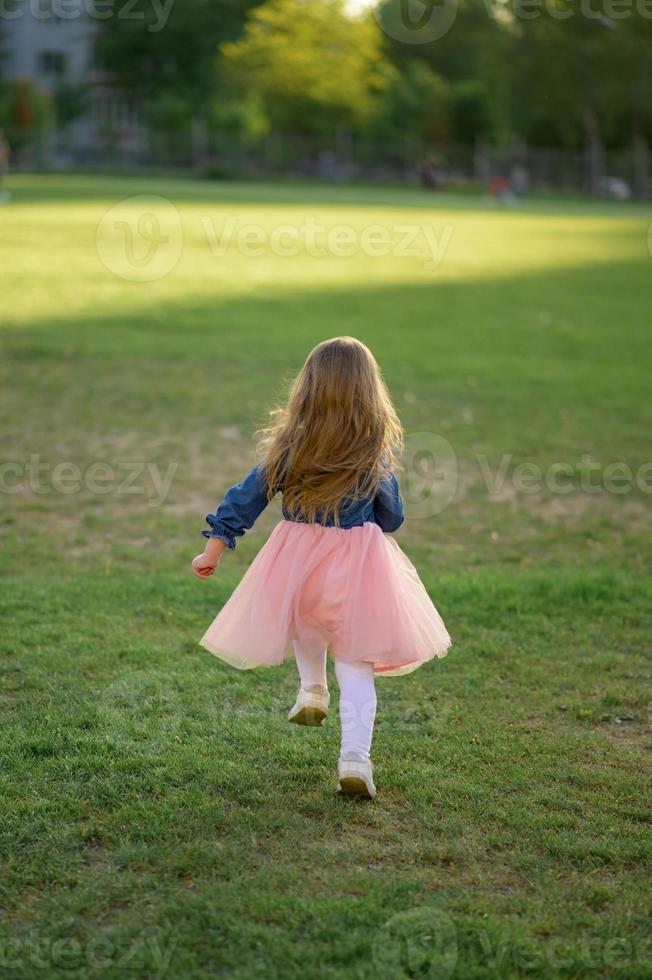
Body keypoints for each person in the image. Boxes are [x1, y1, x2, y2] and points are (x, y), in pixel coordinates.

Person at [191, 337, 451, 798]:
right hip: (358, 568)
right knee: (355, 663)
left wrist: (213, 550)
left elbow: (245, 498)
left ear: (307, 390)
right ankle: (355, 758)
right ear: (369, 394)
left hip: (297, 562)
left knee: (304, 619)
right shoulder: (373, 452)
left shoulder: (290, 446)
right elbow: (393, 519)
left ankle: (312, 689)